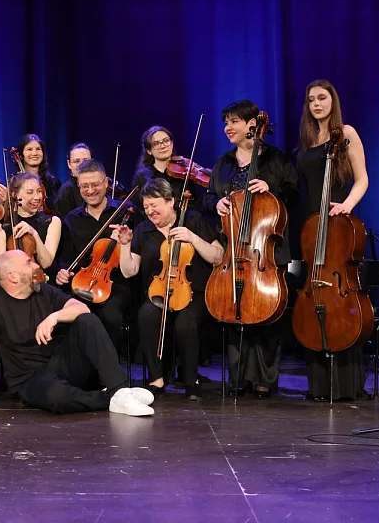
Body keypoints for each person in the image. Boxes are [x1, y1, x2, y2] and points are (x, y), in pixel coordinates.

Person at [0, 250, 154, 416]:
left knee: (86, 320)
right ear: (12, 276)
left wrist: (55, 317)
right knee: (58, 397)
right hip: (30, 380)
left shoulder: (44, 291)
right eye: (29, 263)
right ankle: (111, 398)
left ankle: (119, 390)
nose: (37, 265)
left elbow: (81, 308)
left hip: (61, 365)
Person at [204, 100, 299, 398]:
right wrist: (215, 202)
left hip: (265, 250)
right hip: (233, 250)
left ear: (252, 125)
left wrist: (272, 190)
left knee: (268, 318)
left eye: (234, 121)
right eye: (226, 122)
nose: (228, 128)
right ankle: (238, 379)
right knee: (232, 312)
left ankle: (265, 380)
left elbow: (293, 193)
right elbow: (207, 198)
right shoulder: (224, 163)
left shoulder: (275, 158)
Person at [113, 179, 223, 400]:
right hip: (159, 292)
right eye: (146, 207)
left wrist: (192, 238)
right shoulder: (143, 230)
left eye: (154, 205)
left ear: (171, 201)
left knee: (186, 323)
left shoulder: (193, 219)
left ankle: (191, 381)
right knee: (146, 315)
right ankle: (157, 379)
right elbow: (129, 271)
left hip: (193, 293)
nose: (150, 211)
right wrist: (124, 245)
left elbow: (217, 256)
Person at [295, 80, 369, 401]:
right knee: (313, 300)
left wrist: (346, 206)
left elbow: (362, 178)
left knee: (342, 298)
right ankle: (318, 383)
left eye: (322, 98)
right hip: (312, 227)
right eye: (311, 100)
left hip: (339, 224)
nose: (316, 104)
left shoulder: (346, 132)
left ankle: (347, 383)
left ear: (332, 101)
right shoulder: (310, 139)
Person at [55, 159, 135, 348]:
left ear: (106, 182)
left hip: (116, 285)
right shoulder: (72, 219)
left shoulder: (125, 211)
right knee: (73, 313)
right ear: (78, 186)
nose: (90, 191)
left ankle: (108, 369)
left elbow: (136, 255)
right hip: (82, 283)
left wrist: (125, 243)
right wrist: (62, 272)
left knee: (110, 316)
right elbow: (66, 259)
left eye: (95, 184)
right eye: (85, 186)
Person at [0, 172, 62, 279]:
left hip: (45, 284)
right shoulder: (3, 228)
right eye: (30, 192)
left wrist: (34, 234)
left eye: (39, 191)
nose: (37, 197)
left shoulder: (52, 221)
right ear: (14, 195)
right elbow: (0, 271)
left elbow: (46, 263)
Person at [132, 125, 205, 214]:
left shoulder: (186, 170)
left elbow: (198, 202)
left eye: (166, 141)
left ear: (172, 143)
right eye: (156, 144)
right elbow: (139, 207)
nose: (162, 146)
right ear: (149, 151)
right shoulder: (143, 176)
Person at [16, 134, 62, 213]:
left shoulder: (53, 183)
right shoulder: (15, 183)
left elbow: (59, 210)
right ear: (21, 154)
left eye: (38, 149)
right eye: (29, 149)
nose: (35, 153)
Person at [55, 143, 92, 216]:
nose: (82, 165)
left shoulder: (100, 186)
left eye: (86, 160)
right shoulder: (65, 191)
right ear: (69, 164)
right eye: (76, 161)